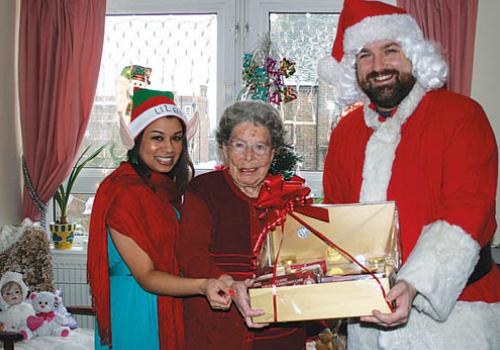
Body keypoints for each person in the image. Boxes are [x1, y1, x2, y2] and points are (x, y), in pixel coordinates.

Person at [318, 0, 500, 349]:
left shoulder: (462, 115)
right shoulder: (345, 133)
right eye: (365, 56)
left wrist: (415, 282)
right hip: (367, 323)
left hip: (456, 321)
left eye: (390, 50)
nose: (378, 66)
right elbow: (337, 220)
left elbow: (468, 210)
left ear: (413, 54)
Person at [87, 88, 232, 350]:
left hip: (166, 298)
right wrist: (203, 285)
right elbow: (145, 275)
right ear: (136, 140)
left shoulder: (162, 189)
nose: (169, 148)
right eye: (157, 138)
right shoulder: (125, 193)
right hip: (136, 308)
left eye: (177, 138)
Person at [176, 100, 306, 349]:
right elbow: (192, 255)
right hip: (219, 333)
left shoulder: (290, 196)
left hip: (281, 336)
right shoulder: (205, 191)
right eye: (239, 145)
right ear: (224, 149)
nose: (249, 157)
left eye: (259, 146)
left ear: (273, 151)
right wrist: (230, 285)